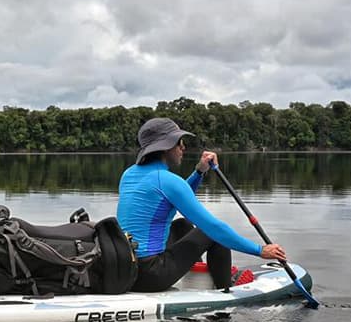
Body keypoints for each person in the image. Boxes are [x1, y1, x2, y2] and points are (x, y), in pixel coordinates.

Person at [117, 117, 287, 291]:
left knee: (182, 225)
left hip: (127, 269)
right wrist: (260, 250)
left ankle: (197, 276)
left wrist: (199, 172)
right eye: (178, 142)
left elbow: (175, 195)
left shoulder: (128, 174)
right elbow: (213, 227)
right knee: (211, 233)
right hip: (151, 275)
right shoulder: (168, 181)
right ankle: (224, 287)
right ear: (166, 146)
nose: (183, 147)